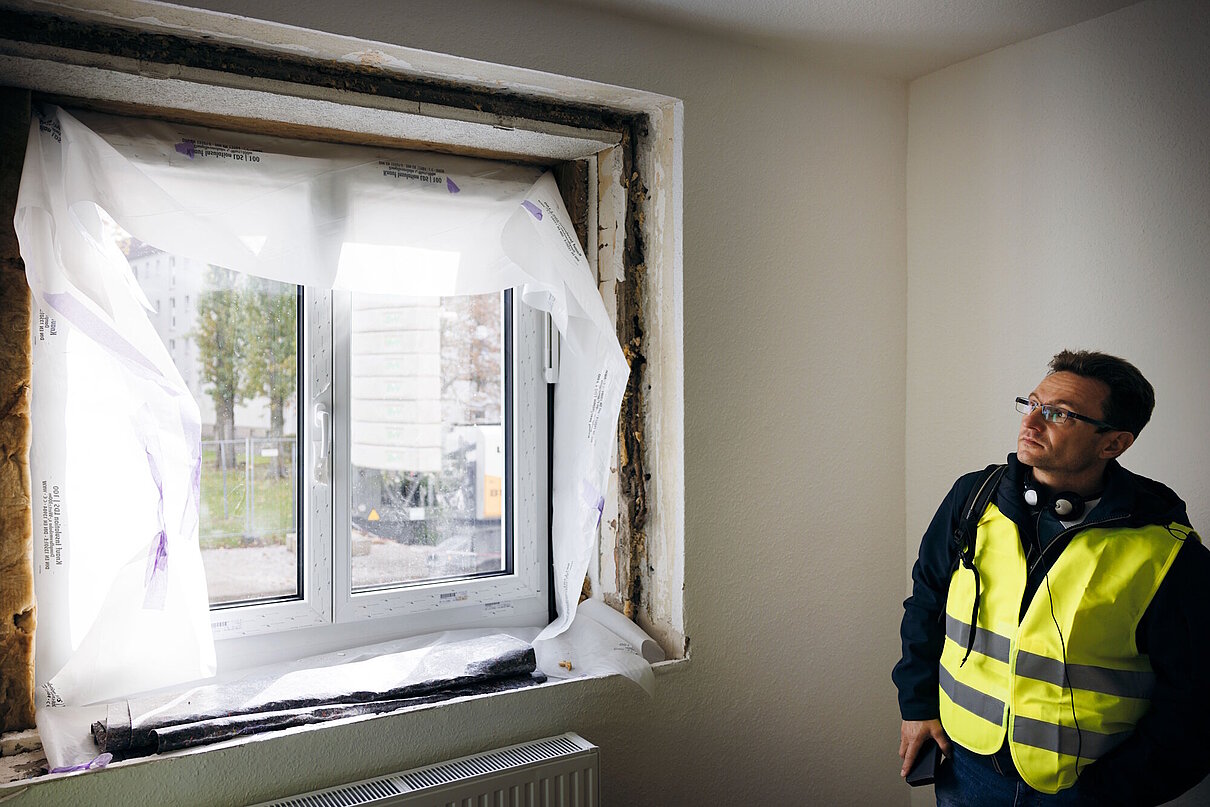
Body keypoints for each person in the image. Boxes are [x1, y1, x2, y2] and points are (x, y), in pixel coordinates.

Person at [893, 350, 1210, 806]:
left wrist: (1114, 791)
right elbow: (925, 604)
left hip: (1081, 790)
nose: (1031, 424)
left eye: (1059, 414)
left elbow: (1195, 702)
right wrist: (916, 705)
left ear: (1113, 444)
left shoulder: (1167, 550)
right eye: (1031, 404)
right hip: (965, 769)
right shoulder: (973, 499)